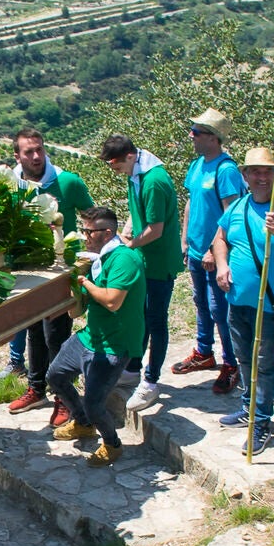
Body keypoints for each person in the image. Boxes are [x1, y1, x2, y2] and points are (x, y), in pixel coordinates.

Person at [211, 146, 274, 455]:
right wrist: (223, 265)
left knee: (265, 366)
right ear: (245, 176)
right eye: (256, 171)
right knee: (244, 360)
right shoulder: (237, 207)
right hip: (238, 302)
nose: (262, 177)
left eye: (268, 171)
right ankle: (248, 408)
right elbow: (219, 240)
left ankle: (261, 423)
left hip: (271, 305)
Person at [4, 128, 95, 424]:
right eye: (28, 152)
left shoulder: (68, 182)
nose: (36, 156)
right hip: (27, 270)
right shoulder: (11, 186)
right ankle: (37, 388)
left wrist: (85, 254)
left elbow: (91, 216)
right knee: (32, 331)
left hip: (59, 274)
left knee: (55, 334)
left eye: (39, 150)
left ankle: (64, 397)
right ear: (17, 155)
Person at [50, 205, 144, 467]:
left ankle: (112, 444)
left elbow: (113, 301)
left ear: (107, 232)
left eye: (88, 231)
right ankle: (82, 424)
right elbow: (79, 310)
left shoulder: (124, 259)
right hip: (91, 336)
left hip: (114, 344)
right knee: (55, 376)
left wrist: (85, 283)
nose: (84, 236)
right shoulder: (98, 258)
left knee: (94, 403)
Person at [101, 134, 180, 409]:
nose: (116, 171)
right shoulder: (135, 175)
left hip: (158, 263)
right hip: (144, 261)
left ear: (131, 156)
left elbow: (155, 230)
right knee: (139, 317)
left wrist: (130, 245)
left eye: (117, 165)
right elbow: (137, 218)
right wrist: (123, 235)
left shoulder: (154, 182)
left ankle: (151, 381)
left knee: (156, 321)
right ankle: (133, 369)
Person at [171, 109, 245, 397]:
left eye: (197, 132)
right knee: (201, 302)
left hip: (215, 253)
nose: (192, 136)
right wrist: (185, 240)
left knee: (220, 309)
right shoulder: (197, 165)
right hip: (197, 250)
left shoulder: (225, 170)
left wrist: (216, 251)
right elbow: (191, 204)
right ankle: (204, 351)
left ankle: (231, 362)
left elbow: (230, 215)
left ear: (214, 138)